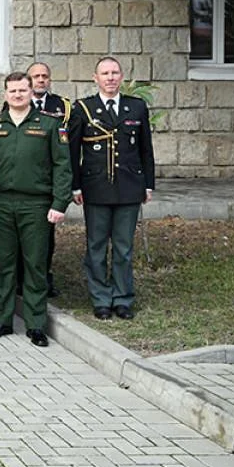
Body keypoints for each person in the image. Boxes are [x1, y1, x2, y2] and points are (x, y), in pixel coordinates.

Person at [0, 72, 71, 347]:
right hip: (0, 204)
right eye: (12, 90)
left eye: (22, 90)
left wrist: (59, 203)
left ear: (31, 92)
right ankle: (2, 320)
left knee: (35, 264)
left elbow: (62, 167)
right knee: (4, 264)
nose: (17, 95)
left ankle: (36, 324)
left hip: (36, 205)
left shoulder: (50, 125)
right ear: (5, 94)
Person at [69, 56, 155, 321]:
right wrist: (75, 186)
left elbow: (145, 149)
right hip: (95, 188)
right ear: (95, 78)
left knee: (123, 247)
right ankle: (101, 299)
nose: (110, 78)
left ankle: (122, 298)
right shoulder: (83, 108)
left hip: (129, 187)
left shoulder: (136, 107)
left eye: (115, 73)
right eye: (105, 73)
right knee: (95, 247)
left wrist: (148, 184)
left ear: (121, 76)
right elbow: (73, 152)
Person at [22, 61, 70, 296]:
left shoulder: (63, 107)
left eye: (45, 76)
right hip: (27, 178)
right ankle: (23, 279)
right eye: (36, 76)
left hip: (48, 183)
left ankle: (45, 278)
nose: (41, 80)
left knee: (45, 238)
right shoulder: (17, 103)